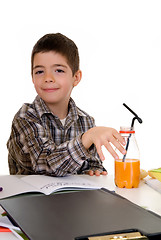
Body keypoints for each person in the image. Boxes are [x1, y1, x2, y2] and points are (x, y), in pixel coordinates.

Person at [7, 33, 126, 177]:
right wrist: (85, 140)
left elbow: (92, 163)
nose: (48, 78)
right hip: (32, 198)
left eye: (59, 70)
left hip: (73, 198)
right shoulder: (25, 118)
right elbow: (44, 164)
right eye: (39, 71)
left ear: (76, 78)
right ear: (32, 77)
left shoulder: (86, 121)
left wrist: (94, 170)